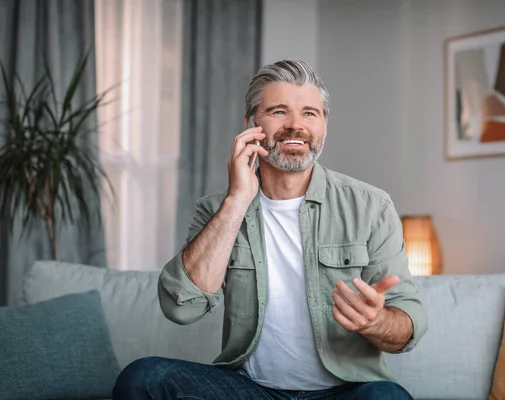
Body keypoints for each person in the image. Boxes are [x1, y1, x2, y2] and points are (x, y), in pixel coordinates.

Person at [113, 59, 427, 400]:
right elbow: (181, 308)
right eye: (279, 111)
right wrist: (236, 201)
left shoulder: (371, 207)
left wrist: (374, 322)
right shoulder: (216, 209)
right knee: (143, 377)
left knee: (387, 398)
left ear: (324, 126)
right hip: (250, 390)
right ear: (251, 125)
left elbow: (407, 325)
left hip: (346, 392)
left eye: (310, 113)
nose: (296, 125)